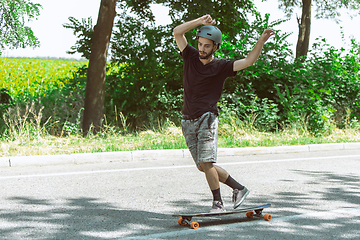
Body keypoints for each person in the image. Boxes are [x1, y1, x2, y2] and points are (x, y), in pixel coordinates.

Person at [173, 14, 275, 213]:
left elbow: (248, 61)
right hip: (187, 119)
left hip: (207, 118)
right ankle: (239, 188)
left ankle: (217, 203)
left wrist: (260, 41)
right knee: (203, 166)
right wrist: (200, 22)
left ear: (215, 47)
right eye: (200, 44)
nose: (202, 49)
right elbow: (177, 32)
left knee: (207, 162)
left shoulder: (221, 66)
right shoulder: (190, 56)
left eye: (207, 46)